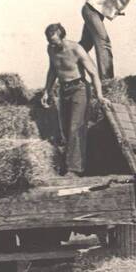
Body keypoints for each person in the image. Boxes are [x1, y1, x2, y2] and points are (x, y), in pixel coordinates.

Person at [40, 23, 110, 176]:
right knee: (65, 129)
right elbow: (53, 69)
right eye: (49, 41)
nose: (52, 44)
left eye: (54, 41)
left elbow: (93, 73)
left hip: (79, 89)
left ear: (62, 37)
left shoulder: (76, 49)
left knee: (75, 127)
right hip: (63, 90)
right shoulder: (50, 49)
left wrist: (99, 95)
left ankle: (74, 168)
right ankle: (72, 164)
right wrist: (47, 91)